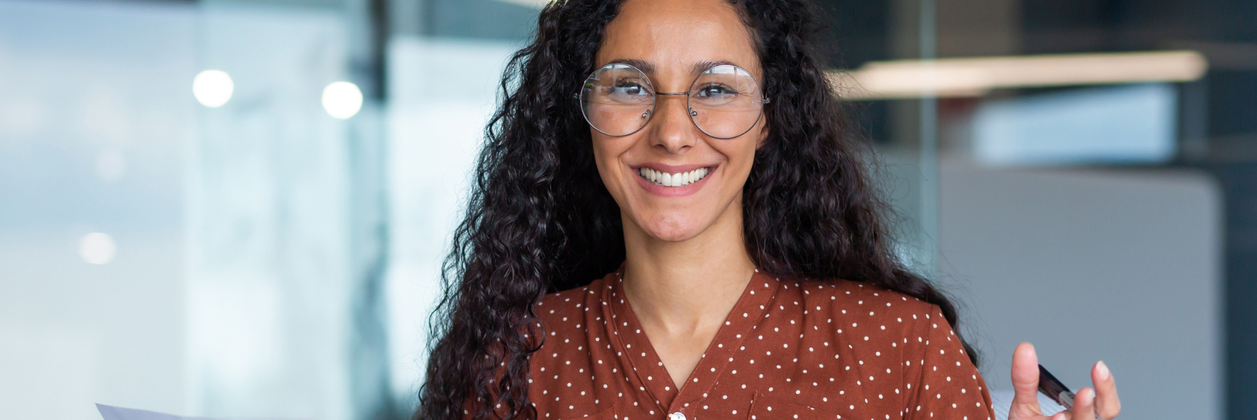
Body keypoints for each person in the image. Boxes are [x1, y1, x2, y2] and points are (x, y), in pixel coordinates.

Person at [417, 0, 1121, 419]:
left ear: (769, 118)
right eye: (629, 87)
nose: (670, 130)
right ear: (582, 112)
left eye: (716, 89)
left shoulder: (899, 352)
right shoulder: (513, 363)